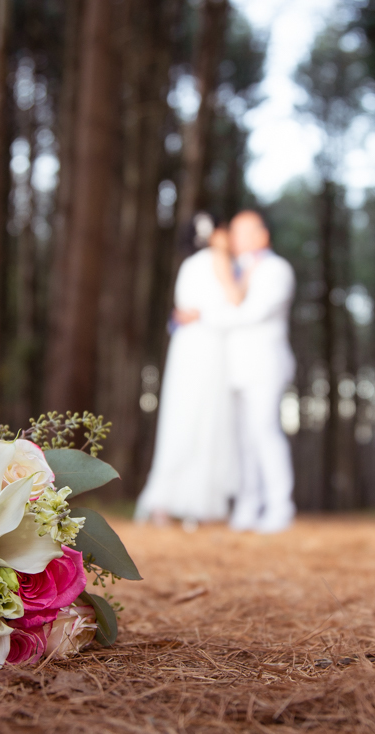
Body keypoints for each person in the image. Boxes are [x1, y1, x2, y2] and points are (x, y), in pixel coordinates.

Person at [175, 210, 296, 534]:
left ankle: (280, 506)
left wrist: (201, 316)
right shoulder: (236, 269)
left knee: (265, 433)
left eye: (242, 232)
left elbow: (251, 314)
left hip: (265, 365)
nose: (233, 238)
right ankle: (247, 506)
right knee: (244, 439)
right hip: (234, 369)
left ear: (262, 236)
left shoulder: (276, 269)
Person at [134, 214, 240, 525]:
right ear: (214, 235)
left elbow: (181, 313)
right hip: (209, 346)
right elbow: (234, 300)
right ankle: (199, 503)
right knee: (207, 418)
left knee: (180, 418)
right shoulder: (217, 258)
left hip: (186, 348)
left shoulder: (189, 265)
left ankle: (162, 503)